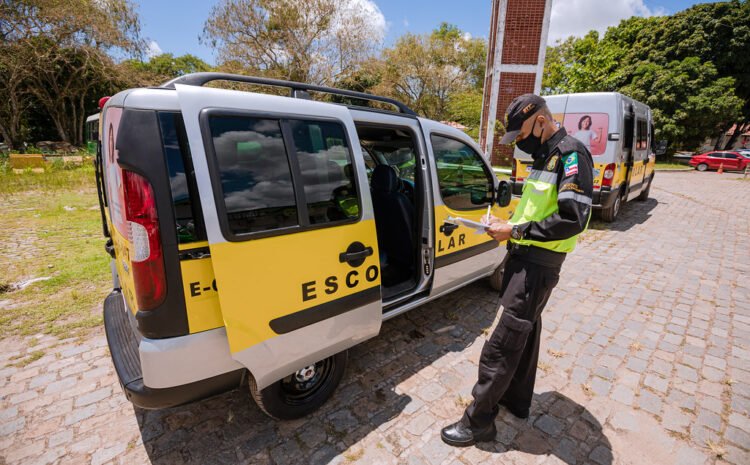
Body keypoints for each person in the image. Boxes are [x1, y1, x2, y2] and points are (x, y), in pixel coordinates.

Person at [441, 94, 594, 447]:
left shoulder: (571, 155)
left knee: (503, 343)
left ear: (540, 120)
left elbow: (573, 218)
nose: (519, 143)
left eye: (521, 133)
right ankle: (516, 399)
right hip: (524, 260)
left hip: (537, 266)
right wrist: (507, 223)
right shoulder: (545, 156)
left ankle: (478, 422)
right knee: (525, 332)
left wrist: (516, 231)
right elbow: (536, 210)